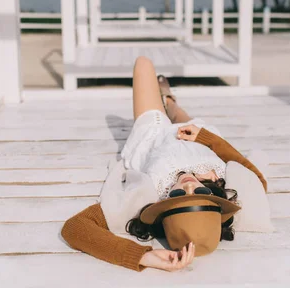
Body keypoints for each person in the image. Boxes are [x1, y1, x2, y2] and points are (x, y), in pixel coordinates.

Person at [61, 56, 267, 272]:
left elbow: (74, 228)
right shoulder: (223, 184)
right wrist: (207, 139)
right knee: (179, 114)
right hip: (196, 132)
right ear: (213, 194)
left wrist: (144, 256)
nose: (188, 184)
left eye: (178, 195)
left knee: (143, 63)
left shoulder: (146, 196)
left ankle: (165, 103)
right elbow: (259, 180)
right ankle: (169, 100)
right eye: (200, 191)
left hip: (155, 131)